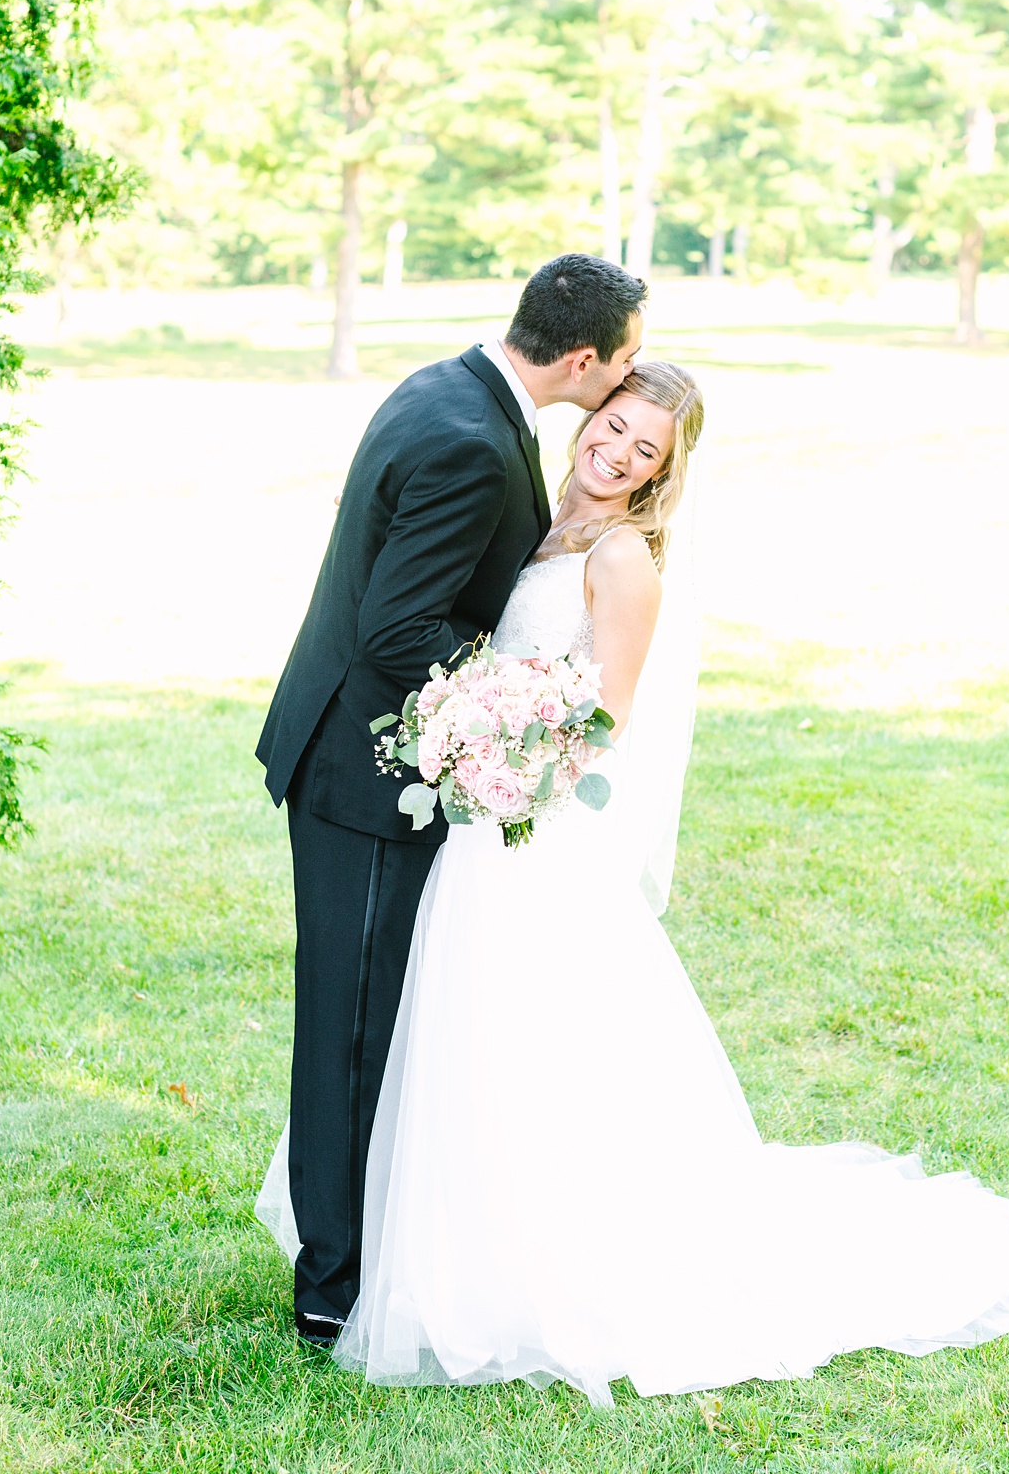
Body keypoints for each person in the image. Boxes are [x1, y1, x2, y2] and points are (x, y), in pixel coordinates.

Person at [256, 362, 1009, 1403]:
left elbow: (604, 720)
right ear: (590, 414)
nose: (619, 452)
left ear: (662, 476)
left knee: (517, 1048)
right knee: (442, 1034)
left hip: (523, 836)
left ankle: (518, 1262)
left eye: (646, 449)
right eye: (615, 427)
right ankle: (418, 1234)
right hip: (473, 827)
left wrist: (503, 756)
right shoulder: (539, 518)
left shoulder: (622, 559)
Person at [255, 251, 645, 1344]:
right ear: (580, 358)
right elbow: (397, 629)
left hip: (350, 751)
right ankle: (334, 1280)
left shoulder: (445, 383)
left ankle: (358, 1236)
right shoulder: (475, 441)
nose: (624, 384)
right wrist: (518, 696)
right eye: (621, 366)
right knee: (352, 1022)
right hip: (364, 775)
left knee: (369, 1013)